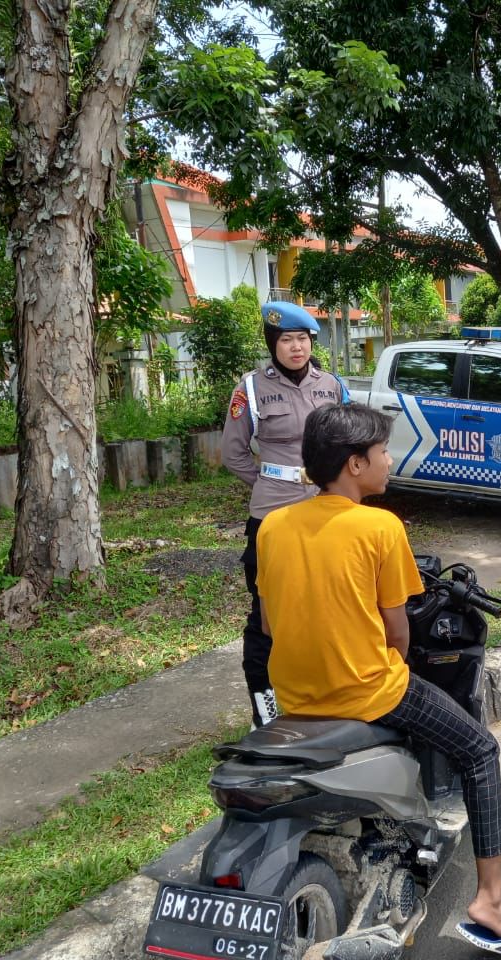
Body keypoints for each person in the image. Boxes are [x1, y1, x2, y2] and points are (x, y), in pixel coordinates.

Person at [256, 404, 501, 959]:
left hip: (294, 698)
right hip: (368, 694)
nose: (388, 460)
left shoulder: (273, 526)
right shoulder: (381, 527)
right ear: (355, 464)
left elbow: (268, 624)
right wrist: (386, 663)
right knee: (480, 750)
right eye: (382, 452)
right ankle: (491, 903)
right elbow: (398, 634)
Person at [221, 300, 349, 726]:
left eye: (303, 339)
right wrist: (268, 484)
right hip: (273, 516)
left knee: (328, 606)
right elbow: (234, 454)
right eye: (286, 340)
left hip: (326, 512)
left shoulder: (332, 386)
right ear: (272, 344)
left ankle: (323, 696)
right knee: (268, 616)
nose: (296, 348)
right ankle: (266, 710)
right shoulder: (252, 388)